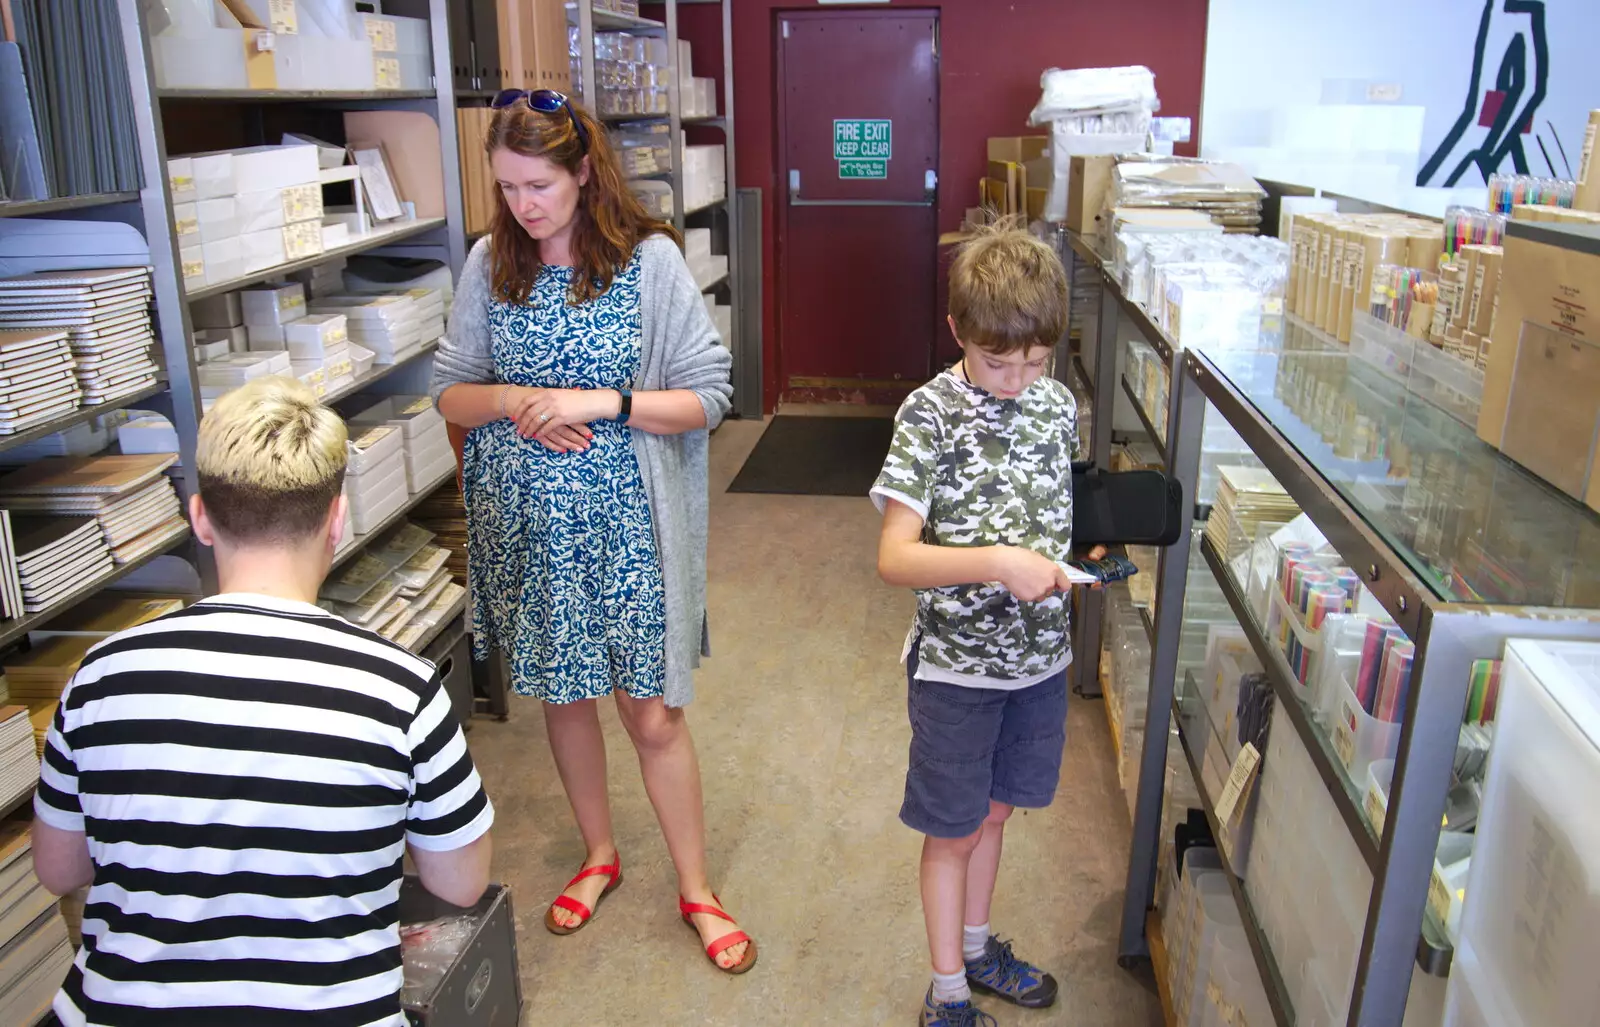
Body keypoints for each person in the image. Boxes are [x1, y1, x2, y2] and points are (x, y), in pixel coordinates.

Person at [32, 376, 495, 1026]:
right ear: (338, 518)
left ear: (200, 517)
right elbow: (461, 883)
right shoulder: (401, 689)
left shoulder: (99, 677)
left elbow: (58, 870)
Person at [430, 90, 753, 973]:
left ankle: (696, 887)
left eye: (539, 184)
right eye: (507, 187)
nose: (524, 205)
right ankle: (599, 854)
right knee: (564, 700)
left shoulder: (647, 264)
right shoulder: (489, 262)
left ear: (582, 172)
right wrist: (511, 402)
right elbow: (451, 390)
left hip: (629, 530)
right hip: (531, 528)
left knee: (651, 715)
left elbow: (708, 396)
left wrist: (598, 402)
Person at [872, 224, 1104, 1025]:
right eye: (996, 362)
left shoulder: (1054, 403)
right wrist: (997, 561)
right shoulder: (927, 414)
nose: (1015, 380)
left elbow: (1046, 510)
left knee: (997, 812)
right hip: (956, 673)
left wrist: (1075, 554)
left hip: (1036, 664)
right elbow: (896, 557)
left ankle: (976, 949)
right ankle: (946, 994)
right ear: (957, 333)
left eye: (1034, 361)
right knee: (953, 825)